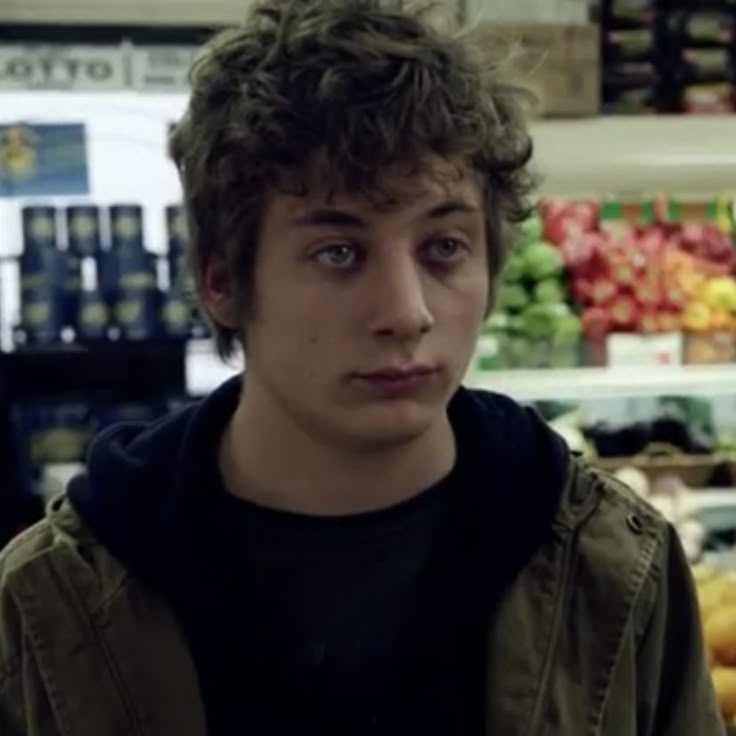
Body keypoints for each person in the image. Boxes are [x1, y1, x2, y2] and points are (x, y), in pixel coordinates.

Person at [0, 1, 724, 734]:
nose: (407, 311)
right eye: (338, 252)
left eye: (444, 248)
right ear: (222, 282)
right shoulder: (49, 607)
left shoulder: (618, 571)